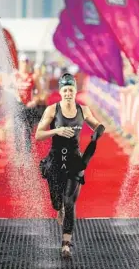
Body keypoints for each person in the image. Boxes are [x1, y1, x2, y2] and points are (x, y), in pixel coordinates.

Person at [35, 73, 105, 258]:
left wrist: (98, 132)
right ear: (60, 92)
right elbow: (38, 134)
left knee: (69, 200)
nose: (68, 93)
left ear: (75, 91)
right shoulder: (52, 110)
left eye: (71, 90)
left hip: (74, 161)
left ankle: (66, 243)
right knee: (57, 202)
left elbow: (98, 126)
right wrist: (57, 130)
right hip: (55, 161)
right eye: (65, 90)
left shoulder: (84, 110)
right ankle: (59, 209)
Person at [12, 54, 42, 160]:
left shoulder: (33, 76)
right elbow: (7, 88)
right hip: (18, 105)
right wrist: (15, 95)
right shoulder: (15, 76)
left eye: (26, 62)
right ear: (19, 63)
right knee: (17, 129)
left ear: (28, 63)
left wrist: (34, 101)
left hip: (29, 106)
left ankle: (27, 155)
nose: (24, 64)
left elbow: (40, 93)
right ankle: (18, 154)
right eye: (22, 62)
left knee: (27, 131)